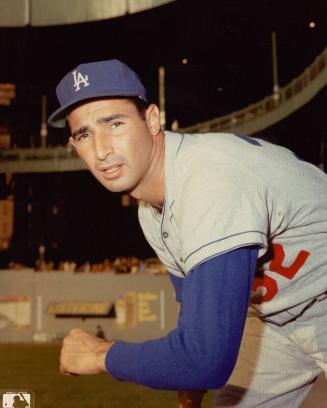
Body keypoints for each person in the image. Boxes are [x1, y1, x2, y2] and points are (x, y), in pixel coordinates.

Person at [49, 59, 327, 408]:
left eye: (114, 124)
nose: (101, 150)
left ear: (152, 120)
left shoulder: (208, 177)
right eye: (84, 134)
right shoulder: (150, 212)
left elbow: (203, 360)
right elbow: (192, 304)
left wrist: (101, 354)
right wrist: (190, 381)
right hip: (274, 321)